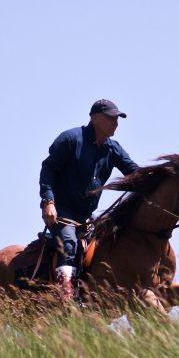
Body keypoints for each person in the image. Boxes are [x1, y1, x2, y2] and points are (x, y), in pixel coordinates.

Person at [39, 99, 139, 296]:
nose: (115, 123)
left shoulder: (114, 149)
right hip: (62, 211)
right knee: (69, 244)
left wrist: (163, 177)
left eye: (117, 118)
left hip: (88, 216)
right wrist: (48, 202)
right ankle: (66, 298)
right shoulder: (70, 139)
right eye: (110, 118)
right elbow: (48, 169)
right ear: (94, 117)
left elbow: (136, 174)